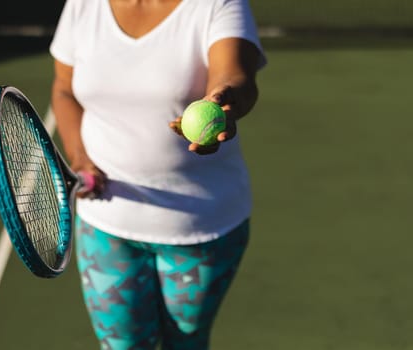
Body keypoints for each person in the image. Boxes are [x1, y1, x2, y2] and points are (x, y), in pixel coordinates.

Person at [49, 0, 266, 348]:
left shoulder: (216, 4)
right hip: (106, 226)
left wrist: (225, 100)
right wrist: (78, 155)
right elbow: (63, 87)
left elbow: (236, 77)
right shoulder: (83, 4)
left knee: (186, 344)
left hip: (201, 229)